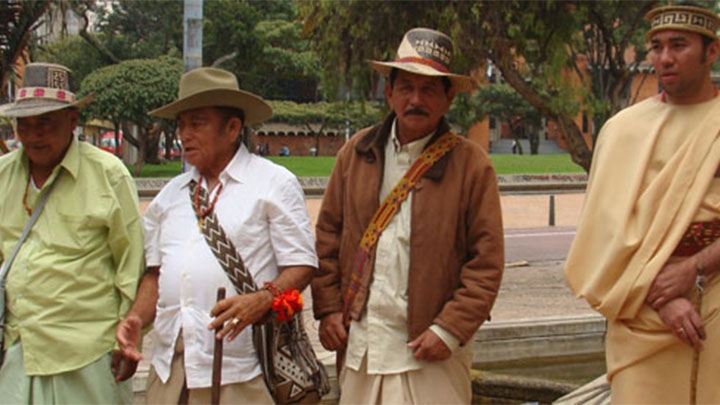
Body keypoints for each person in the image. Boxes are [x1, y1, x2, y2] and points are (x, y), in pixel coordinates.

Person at [311, 28, 504, 404]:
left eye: (429, 89)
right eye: (406, 88)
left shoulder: (471, 166)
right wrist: (329, 309)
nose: (416, 99)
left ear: (449, 97)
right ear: (389, 92)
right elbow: (327, 238)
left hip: (429, 351)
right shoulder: (356, 153)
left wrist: (448, 330)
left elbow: (486, 262)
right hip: (362, 346)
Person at [115, 67, 318, 404]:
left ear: (232, 128)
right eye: (181, 125)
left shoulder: (273, 184)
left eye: (197, 123)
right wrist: (136, 319)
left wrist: (262, 300)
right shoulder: (170, 196)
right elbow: (155, 274)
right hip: (171, 370)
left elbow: (302, 265)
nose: (185, 135)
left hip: (242, 372)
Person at [565, 4, 720, 403]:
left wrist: (692, 268)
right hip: (640, 308)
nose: (664, 58)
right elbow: (601, 239)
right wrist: (661, 297)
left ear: (712, 52)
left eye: (679, 45)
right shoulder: (622, 132)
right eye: (656, 47)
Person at [0, 63, 144, 403]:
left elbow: (132, 265)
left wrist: (125, 339)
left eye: (45, 122)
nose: (33, 135)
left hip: (87, 356)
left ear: (73, 120)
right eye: (25, 124)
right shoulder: (3, 175)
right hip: (16, 350)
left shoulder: (109, 175)